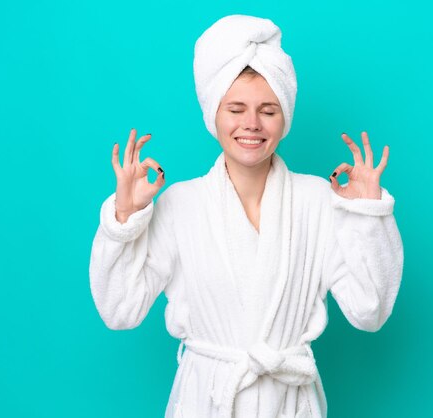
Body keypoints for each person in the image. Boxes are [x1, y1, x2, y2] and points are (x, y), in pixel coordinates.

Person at [89, 14, 404, 418]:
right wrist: (124, 217)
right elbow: (119, 310)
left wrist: (367, 215)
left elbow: (370, 311)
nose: (251, 124)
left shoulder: (319, 201)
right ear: (213, 116)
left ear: (285, 117)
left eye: (268, 110)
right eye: (235, 108)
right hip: (207, 402)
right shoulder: (180, 205)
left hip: (289, 405)